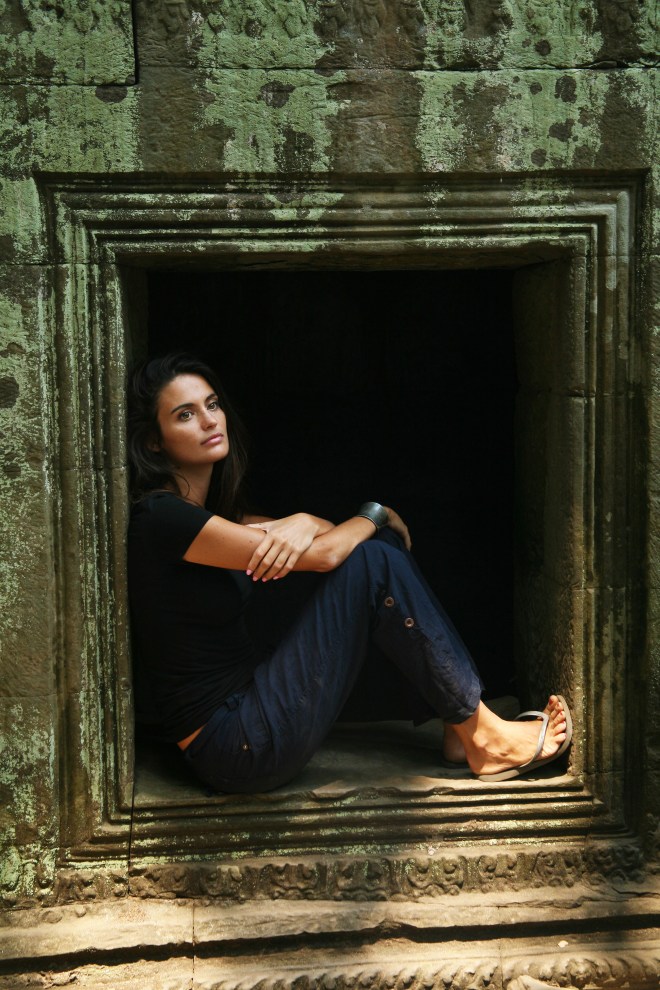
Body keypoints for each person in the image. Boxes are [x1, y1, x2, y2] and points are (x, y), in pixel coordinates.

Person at [127, 352, 572, 794]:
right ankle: (481, 734)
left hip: (251, 710)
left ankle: (463, 727)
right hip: (236, 744)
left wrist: (310, 522)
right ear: (155, 441)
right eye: (185, 414)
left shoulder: (211, 516)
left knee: (372, 550)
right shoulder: (163, 518)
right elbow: (324, 556)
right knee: (373, 561)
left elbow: (323, 539)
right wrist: (376, 513)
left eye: (212, 404)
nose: (208, 420)